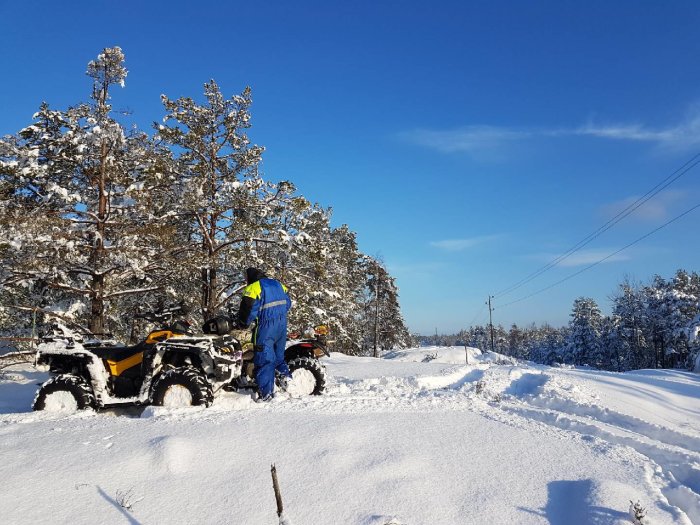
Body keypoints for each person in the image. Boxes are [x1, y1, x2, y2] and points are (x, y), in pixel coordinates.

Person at [236, 267, 292, 401]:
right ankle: (287, 383)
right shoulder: (278, 284)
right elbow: (288, 303)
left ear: (250, 277)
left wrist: (243, 323)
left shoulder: (254, 287)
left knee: (265, 359)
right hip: (282, 325)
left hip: (266, 327)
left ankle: (266, 395)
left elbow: (248, 309)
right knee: (279, 357)